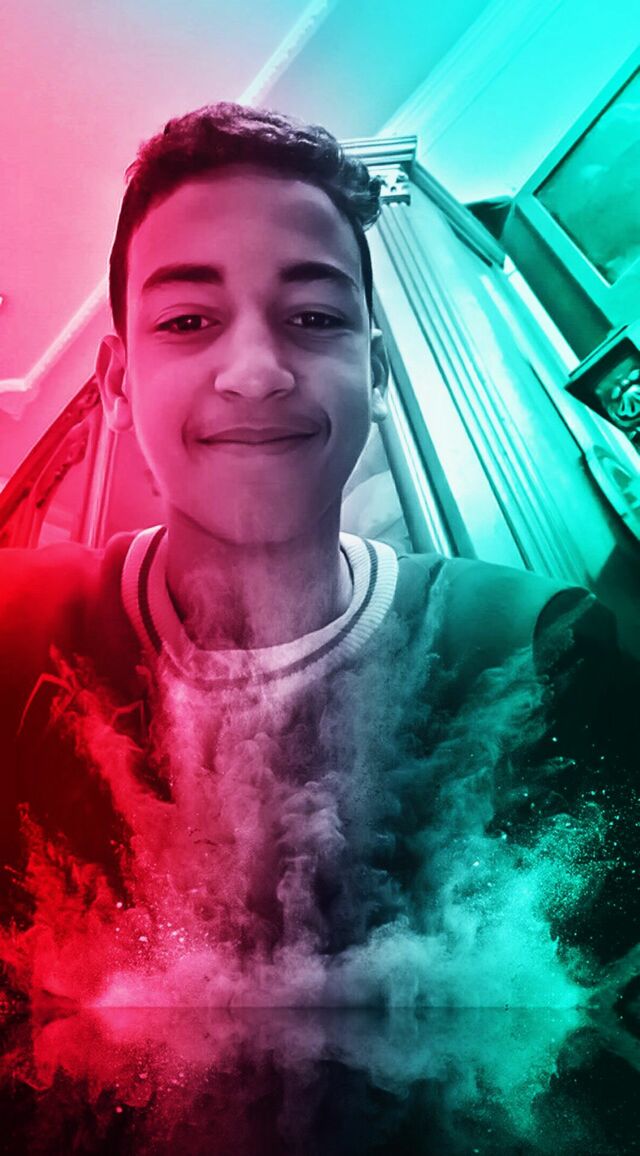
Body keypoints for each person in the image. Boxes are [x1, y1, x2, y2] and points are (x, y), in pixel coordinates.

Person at [0, 103, 636, 1009]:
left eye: (311, 315)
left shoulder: (536, 652)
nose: (256, 372)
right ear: (117, 385)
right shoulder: (15, 633)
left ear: (374, 374)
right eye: (188, 320)